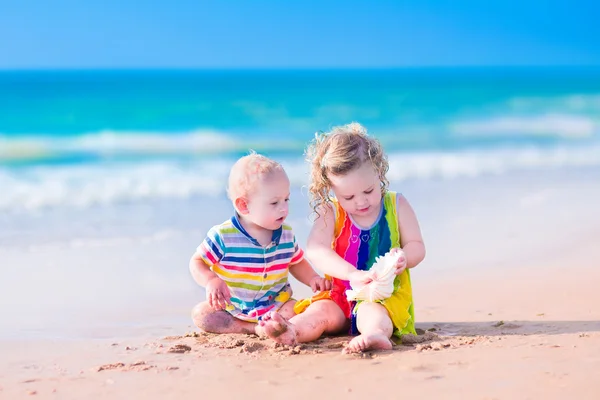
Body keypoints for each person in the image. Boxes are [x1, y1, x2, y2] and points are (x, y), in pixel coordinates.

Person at [258, 122, 426, 353]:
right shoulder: (331, 211)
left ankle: (375, 335)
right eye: (348, 196)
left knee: (373, 313)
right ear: (331, 189)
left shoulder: (397, 205)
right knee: (320, 313)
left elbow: (417, 246)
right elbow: (317, 249)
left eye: (368, 191)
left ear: (378, 172)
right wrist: (351, 274)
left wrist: (404, 257)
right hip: (340, 294)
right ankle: (291, 330)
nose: (360, 202)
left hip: (382, 296)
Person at [189, 152, 331, 337]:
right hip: (234, 307)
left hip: (277, 305)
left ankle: (275, 326)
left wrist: (312, 278)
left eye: (286, 199)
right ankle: (251, 329)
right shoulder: (223, 236)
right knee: (202, 315)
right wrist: (211, 280)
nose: (284, 208)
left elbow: (295, 262)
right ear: (244, 206)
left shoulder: (286, 234)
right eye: (274, 202)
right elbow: (197, 262)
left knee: (297, 310)